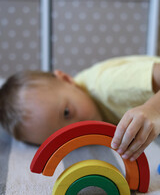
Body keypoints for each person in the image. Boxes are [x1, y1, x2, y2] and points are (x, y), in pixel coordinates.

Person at [0, 55, 160, 162]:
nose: (76, 130)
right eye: (62, 137)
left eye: (67, 113)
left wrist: (153, 110)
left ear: (66, 79)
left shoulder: (110, 85)